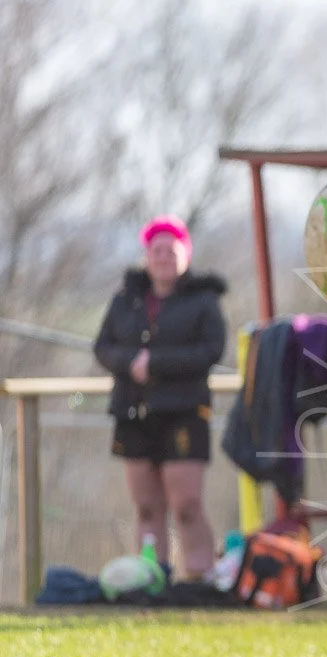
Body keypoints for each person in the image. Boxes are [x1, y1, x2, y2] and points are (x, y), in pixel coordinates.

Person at [93, 216, 227, 580]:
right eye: (157, 250)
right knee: (147, 507)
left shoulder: (203, 300)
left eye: (171, 249)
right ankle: (152, 576)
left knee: (185, 504)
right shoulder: (126, 300)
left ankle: (200, 578)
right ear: (146, 255)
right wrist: (129, 362)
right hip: (133, 411)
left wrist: (157, 364)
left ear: (186, 253)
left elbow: (211, 350)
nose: (164, 257)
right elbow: (103, 346)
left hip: (183, 412)